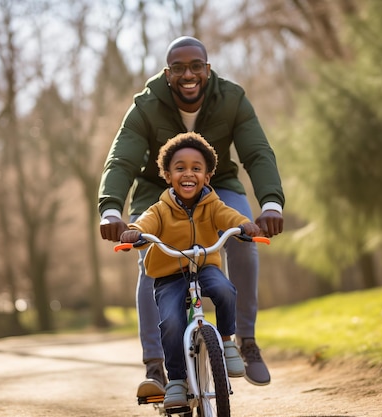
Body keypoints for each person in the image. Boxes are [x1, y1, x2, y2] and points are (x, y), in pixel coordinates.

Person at [98, 36, 285, 395]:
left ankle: (245, 341)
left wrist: (271, 205)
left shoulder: (232, 99)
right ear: (168, 73)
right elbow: (120, 160)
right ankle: (156, 366)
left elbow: (258, 153)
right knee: (147, 258)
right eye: (179, 68)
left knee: (245, 242)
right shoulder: (146, 106)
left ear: (207, 69)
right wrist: (110, 211)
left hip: (218, 184)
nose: (188, 75)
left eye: (196, 66)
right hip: (157, 187)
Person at [120, 132, 263, 409]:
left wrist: (244, 224)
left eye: (196, 168)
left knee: (225, 289)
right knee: (172, 323)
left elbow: (229, 217)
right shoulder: (160, 209)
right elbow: (145, 224)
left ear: (207, 176)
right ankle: (175, 379)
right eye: (180, 168)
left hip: (204, 266)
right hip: (169, 276)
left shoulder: (213, 205)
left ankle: (226, 341)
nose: (189, 174)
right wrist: (134, 233)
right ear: (167, 174)